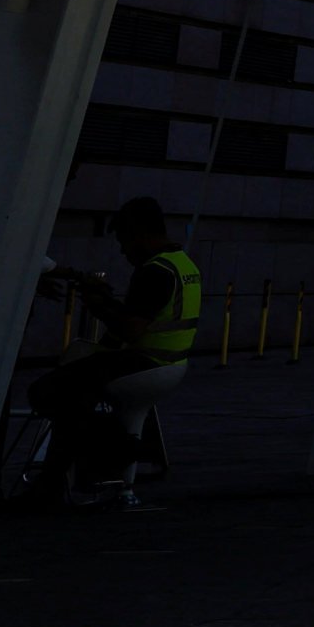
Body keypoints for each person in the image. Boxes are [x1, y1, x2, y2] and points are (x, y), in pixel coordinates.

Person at [30, 195, 201, 504]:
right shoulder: (183, 264)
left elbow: (130, 329)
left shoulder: (154, 270)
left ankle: (109, 453)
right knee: (78, 389)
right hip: (171, 364)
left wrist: (97, 306)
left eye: (124, 241)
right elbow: (144, 318)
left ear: (139, 233)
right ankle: (77, 471)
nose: (123, 251)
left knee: (50, 390)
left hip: (143, 363)